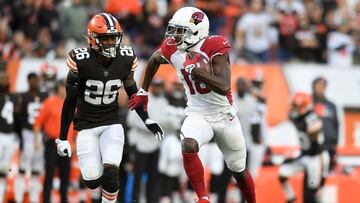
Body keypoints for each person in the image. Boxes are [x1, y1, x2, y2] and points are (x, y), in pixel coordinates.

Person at [128, 7, 256, 203]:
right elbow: (154, 59)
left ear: (196, 31)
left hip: (224, 116)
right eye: (174, 29)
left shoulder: (215, 45)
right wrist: (143, 91)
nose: (174, 36)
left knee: (238, 170)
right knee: (188, 144)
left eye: (181, 31)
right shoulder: (173, 48)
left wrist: (199, 72)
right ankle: (203, 198)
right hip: (197, 114)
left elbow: (223, 86)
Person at [56, 13, 164, 203]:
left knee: (112, 172)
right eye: (105, 39)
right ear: (93, 39)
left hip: (111, 122)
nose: (111, 43)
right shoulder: (80, 60)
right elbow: (71, 99)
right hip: (86, 126)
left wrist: (146, 118)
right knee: (92, 181)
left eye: (113, 38)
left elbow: (132, 90)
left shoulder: (126, 57)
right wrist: (63, 137)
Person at [278, 92, 329, 203]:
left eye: (296, 106)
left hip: (316, 157)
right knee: (282, 173)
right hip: (305, 155)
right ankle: (291, 198)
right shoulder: (297, 117)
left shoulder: (311, 116)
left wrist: (313, 130)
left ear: (303, 107)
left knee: (313, 196)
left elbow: (317, 126)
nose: (293, 108)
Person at [33, 79, 73, 203]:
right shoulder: (50, 102)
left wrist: (76, 143)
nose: (65, 90)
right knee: (49, 174)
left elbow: (77, 126)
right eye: (63, 87)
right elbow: (38, 123)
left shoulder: (74, 104)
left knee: (65, 176)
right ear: (59, 88)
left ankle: (64, 200)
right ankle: (46, 200)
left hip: (67, 144)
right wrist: (37, 141)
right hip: (52, 143)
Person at [15, 72, 48, 203]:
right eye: (33, 80)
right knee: (23, 167)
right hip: (27, 133)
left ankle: (34, 199)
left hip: (40, 135)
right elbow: (17, 116)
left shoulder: (44, 96)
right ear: (28, 81)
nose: (36, 82)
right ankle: (18, 198)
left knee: (37, 169)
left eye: (37, 80)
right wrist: (20, 136)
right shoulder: (23, 96)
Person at [312, 77, 339, 172]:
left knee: (327, 172)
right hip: (314, 146)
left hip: (329, 145)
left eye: (323, 85)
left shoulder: (331, 105)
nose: (320, 87)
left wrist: (335, 143)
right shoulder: (309, 104)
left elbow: (336, 125)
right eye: (318, 85)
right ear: (313, 86)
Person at [0, 71, 18, 202]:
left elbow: (17, 117)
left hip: (10, 136)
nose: (5, 81)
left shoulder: (13, 96)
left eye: (6, 78)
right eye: (2, 79)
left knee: (4, 170)